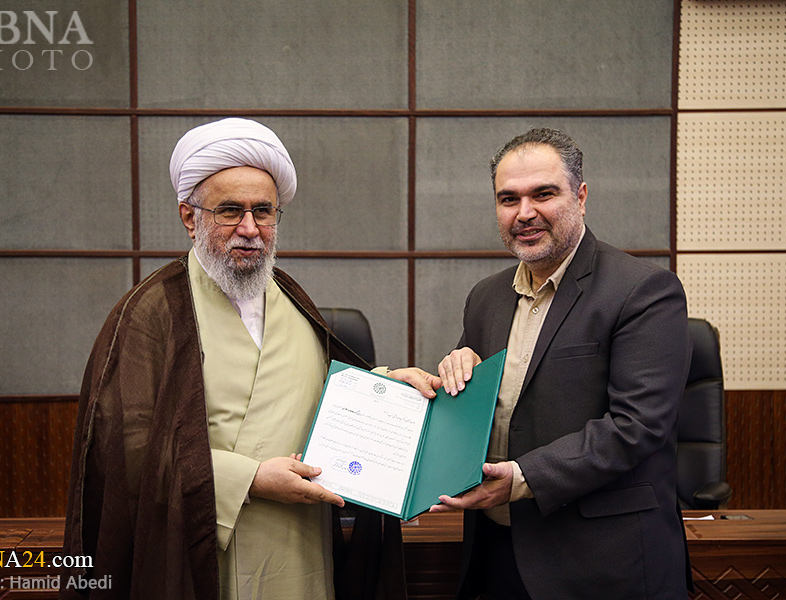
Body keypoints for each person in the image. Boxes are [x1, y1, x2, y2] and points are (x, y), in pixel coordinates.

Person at [61, 118, 405, 600]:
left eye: (263, 211)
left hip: (301, 545)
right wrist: (250, 479)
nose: (249, 229)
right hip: (200, 550)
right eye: (229, 211)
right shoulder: (151, 312)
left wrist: (393, 387)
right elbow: (126, 451)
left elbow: (325, 393)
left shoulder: (290, 297)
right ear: (189, 217)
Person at [396, 127, 692, 599]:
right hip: (495, 550)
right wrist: (446, 379)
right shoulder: (486, 297)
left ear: (581, 196)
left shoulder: (643, 290)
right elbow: (473, 411)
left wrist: (521, 478)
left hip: (600, 562)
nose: (524, 212)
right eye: (508, 199)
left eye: (543, 194)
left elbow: (637, 426)